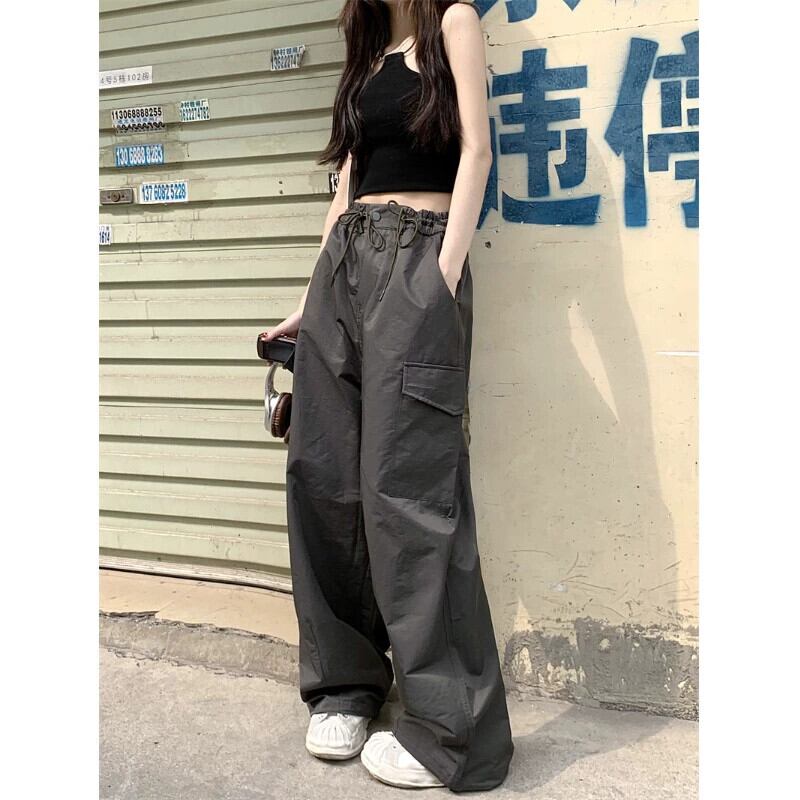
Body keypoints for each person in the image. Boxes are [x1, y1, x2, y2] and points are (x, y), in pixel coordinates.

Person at [259, 0, 514, 792]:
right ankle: (345, 687)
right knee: (325, 478)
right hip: (346, 267)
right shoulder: (370, 50)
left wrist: (442, 273)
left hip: (417, 262)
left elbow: (476, 150)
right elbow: (346, 187)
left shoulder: (454, 22)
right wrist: (310, 298)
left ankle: (452, 735)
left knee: (410, 492)